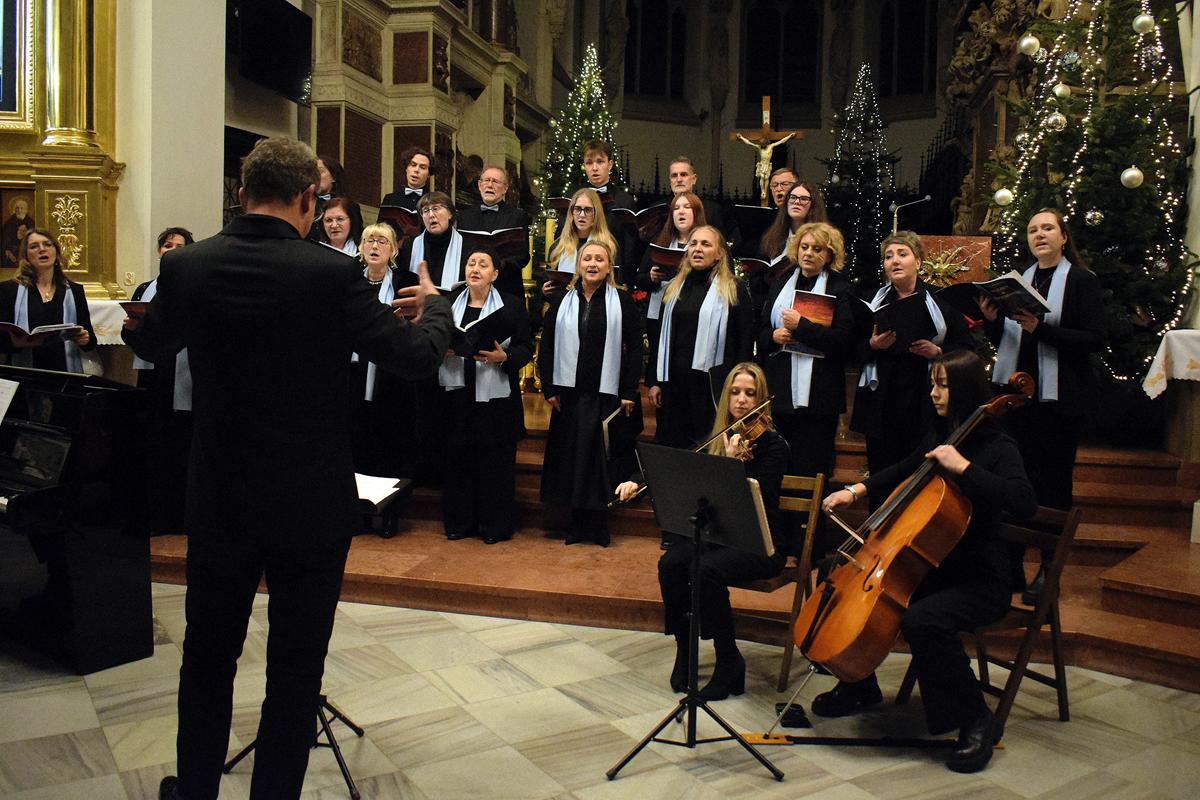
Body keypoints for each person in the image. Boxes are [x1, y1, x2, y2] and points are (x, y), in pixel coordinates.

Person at [127, 137, 452, 800]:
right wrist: (438, 308)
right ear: (309, 198)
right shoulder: (332, 275)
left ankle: (195, 791)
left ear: (241, 194)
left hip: (221, 496)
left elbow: (151, 344)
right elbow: (416, 358)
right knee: (296, 672)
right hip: (310, 502)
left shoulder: (188, 265)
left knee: (207, 659)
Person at [819, 350, 1037, 774]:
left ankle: (977, 719)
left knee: (923, 620)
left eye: (943, 385)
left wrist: (964, 467)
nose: (934, 393)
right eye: (933, 383)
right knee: (835, 574)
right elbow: (906, 468)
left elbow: (1023, 501)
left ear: (966, 390)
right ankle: (857, 682)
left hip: (979, 579)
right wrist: (856, 491)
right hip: (936, 570)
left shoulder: (997, 446)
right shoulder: (943, 433)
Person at [617, 362, 788, 700]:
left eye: (750, 393)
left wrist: (734, 466)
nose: (741, 400)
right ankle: (686, 649)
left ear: (761, 399)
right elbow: (679, 467)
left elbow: (759, 503)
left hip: (761, 544)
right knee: (671, 563)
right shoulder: (718, 437)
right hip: (721, 539)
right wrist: (637, 482)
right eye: (735, 392)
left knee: (705, 569)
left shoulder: (773, 445)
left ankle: (729, 660)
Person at [980, 207, 1104, 602]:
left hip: (1059, 402)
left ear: (1063, 236)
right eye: (1033, 230)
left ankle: (1049, 572)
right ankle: (1012, 567)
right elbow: (1011, 339)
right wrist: (991, 321)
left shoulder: (1081, 280)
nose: (1039, 235)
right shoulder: (1022, 280)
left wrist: (1042, 329)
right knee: (1016, 482)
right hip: (1018, 400)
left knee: (1054, 486)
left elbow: (1093, 339)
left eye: (1048, 228)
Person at [538, 240, 643, 547]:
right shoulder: (562, 300)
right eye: (587, 259)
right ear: (578, 265)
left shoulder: (622, 301)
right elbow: (547, 344)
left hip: (605, 395)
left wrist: (628, 390)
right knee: (572, 461)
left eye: (599, 259)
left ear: (609, 267)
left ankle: (598, 525)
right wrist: (549, 388)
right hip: (569, 395)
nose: (593, 264)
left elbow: (635, 346)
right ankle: (575, 524)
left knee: (599, 462)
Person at [849, 231, 972, 481]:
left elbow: (968, 347)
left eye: (902, 254)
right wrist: (872, 345)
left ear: (918, 262)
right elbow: (851, 350)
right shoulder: (873, 301)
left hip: (923, 399)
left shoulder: (941, 300)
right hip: (882, 401)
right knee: (882, 473)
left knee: (920, 476)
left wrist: (938, 351)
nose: (894, 260)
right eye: (888, 256)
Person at [437, 247, 532, 543]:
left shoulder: (511, 306)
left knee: (495, 464)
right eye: (471, 263)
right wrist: (441, 346)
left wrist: (505, 357)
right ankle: (459, 522)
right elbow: (431, 336)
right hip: (456, 394)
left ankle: (494, 525)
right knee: (458, 461)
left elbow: (526, 347)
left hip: (495, 399)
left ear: (495, 274)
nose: (475, 268)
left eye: (482, 264)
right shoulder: (448, 303)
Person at [758, 222, 854, 483]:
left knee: (812, 467)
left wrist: (801, 326)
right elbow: (761, 330)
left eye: (817, 249)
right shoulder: (781, 283)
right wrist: (773, 336)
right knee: (777, 466)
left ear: (830, 255)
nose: (808, 253)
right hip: (780, 391)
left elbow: (843, 341)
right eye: (804, 247)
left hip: (819, 398)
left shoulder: (840, 288)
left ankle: (811, 511)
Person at [647, 225, 754, 450]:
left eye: (705, 244)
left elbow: (745, 339)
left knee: (706, 448)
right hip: (674, 384)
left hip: (710, 386)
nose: (697, 249)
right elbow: (659, 337)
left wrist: (737, 383)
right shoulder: (674, 287)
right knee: (673, 447)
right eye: (693, 244)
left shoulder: (733, 288)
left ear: (719, 254)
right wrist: (655, 381)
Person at [126, 226, 196, 536]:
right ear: (159, 251)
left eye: (180, 246)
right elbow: (135, 337)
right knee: (151, 444)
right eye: (168, 245)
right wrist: (131, 328)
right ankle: (153, 513)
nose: (173, 250)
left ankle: (179, 515)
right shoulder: (145, 289)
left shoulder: (195, 286)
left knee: (180, 446)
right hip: (152, 374)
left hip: (182, 374)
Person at [347, 223, 420, 480]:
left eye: (382, 241)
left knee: (389, 433)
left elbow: (417, 324)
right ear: (361, 248)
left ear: (393, 250)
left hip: (392, 369)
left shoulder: (408, 282)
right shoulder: (350, 281)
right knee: (355, 431)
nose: (374, 246)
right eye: (369, 241)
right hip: (353, 367)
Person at [0, 228, 96, 373]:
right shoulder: (8, 290)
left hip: (64, 372)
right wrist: (16, 343)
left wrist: (85, 339)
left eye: (47, 244)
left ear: (56, 252)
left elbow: (90, 341)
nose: (42, 249)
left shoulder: (75, 291)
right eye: (34, 246)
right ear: (26, 256)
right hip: (25, 374)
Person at [635, 191, 707, 373]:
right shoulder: (661, 241)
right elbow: (640, 278)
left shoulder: (708, 243)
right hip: (660, 313)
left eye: (686, 207)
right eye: (676, 208)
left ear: (697, 213)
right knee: (658, 361)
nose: (680, 212)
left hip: (693, 314)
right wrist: (651, 277)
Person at [752, 182, 830, 326]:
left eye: (803, 199)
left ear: (813, 205)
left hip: (806, 305)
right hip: (771, 303)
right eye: (792, 197)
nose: (796, 202)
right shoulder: (772, 236)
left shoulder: (824, 237)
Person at [455, 165, 531, 302]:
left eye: (495, 181)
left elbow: (524, 256)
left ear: (505, 188)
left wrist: (500, 265)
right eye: (486, 180)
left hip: (507, 286)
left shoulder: (517, 216)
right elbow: (460, 254)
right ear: (480, 185)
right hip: (474, 289)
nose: (490, 185)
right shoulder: (464, 216)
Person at [540, 187, 619, 299]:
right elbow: (549, 280)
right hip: (563, 304)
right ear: (571, 213)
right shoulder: (558, 246)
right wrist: (545, 290)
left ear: (596, 214)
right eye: (577, 209)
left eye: (588, 210)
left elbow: (615, 283)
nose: (582, 215)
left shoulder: (608, 246)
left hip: (597, 304)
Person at [398, 192, 468, 290]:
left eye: (436, 209)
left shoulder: (467, 247)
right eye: (425, 211)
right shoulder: (409, 246)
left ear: (450, 213)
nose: (431, 215)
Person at [666, 156, 734, 242]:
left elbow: (721, 243)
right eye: (674, 175)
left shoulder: (713, 210)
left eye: (683, 175)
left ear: (694, 179)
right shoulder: (658, 208)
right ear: (670, 180)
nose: (679, 179)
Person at [307, 155, 345, 242]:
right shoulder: (302, 203)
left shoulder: (346, 206)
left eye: (320, 171)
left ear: (334, 177)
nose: (315, 176)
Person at [2, 196, 34, 267]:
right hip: (12, 254)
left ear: (26, 210)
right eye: (17, 208)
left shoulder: (31, 223)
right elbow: (5, 241)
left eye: (22, 208)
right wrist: (7, 250)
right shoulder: (8, 223)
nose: (19, 210)